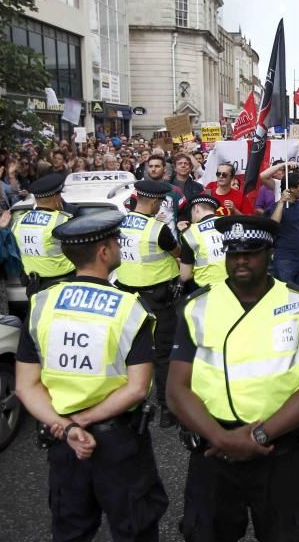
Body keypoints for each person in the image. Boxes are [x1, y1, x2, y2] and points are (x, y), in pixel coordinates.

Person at [168, 215, 299, 542]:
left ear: (270, 253)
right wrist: (222, 437)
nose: (241, 259)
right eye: (233, 252)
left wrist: (257, 436)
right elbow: (175, 388)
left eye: (251, 252)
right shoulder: (197, 307)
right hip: (213, 449)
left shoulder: (298, 305)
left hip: (278, 450)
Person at [15, 212, 168, 542]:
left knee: (71, 529)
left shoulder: (41, 304)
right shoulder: (130, 308)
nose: (119, 247)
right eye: (116, 242)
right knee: (135, 529)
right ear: (103, 252)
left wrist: (69, 427)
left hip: (63, 440)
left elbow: (26, 384)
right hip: (119, 444)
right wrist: (85, 420)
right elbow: (137, 388)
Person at [117, 180, 182, 428]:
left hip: (128, 298)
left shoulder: (120, 222)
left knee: (128, 351)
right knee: (163, 355)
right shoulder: (157, 229)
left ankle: (127, 402)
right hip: (158, 299)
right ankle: (167, 410)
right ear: (154, 202)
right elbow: (177, 252)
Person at [11, 173, 76, 299]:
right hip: (62, 288)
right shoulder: (63, 221)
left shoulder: (19, 220)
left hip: (33, 287)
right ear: (56, 197)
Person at [269, 170, 299, 287]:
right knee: (286, 295)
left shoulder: (298, 205)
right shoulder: (277, 207)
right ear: (291, 189)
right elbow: (273, 224)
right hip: (284, 260)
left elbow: (298, 226)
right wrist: (281, 202)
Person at [180, 194, 227, 290]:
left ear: (196, 208)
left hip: (207, 290)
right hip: (234, 286)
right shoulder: (229, 223)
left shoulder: (190, 233)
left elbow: (185, 276)